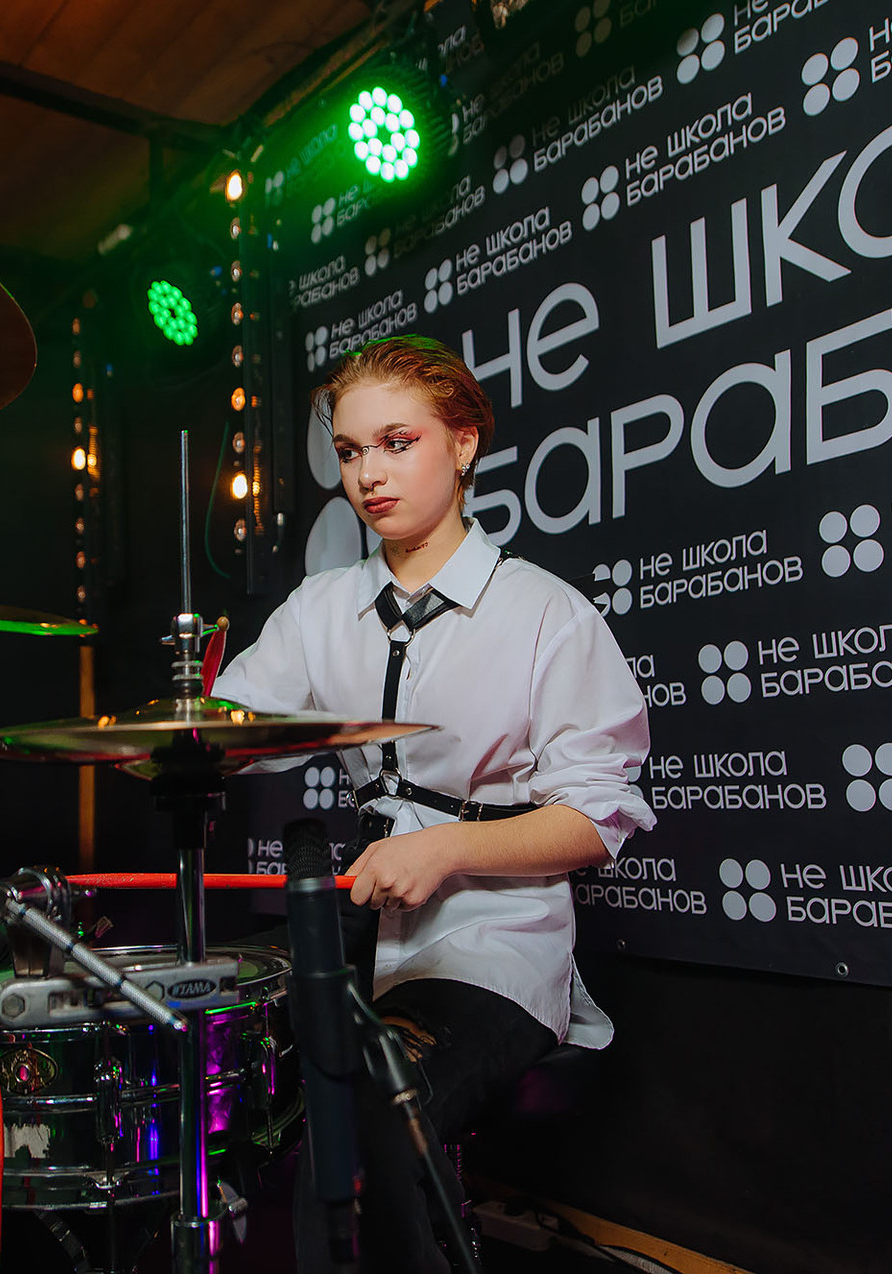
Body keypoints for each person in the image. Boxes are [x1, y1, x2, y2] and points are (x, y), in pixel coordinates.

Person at [211, 335, 655, 1272]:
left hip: (493, 941)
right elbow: (227, 732)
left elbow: (595, 820)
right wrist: (177, 736)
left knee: (378, 1100)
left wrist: (447, 849)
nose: (368, 474)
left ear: (463, 443)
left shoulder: (545, 613)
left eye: (397, 442)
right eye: (350, 451)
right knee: (208, 1045)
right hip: (356, 932)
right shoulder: (319, 610)